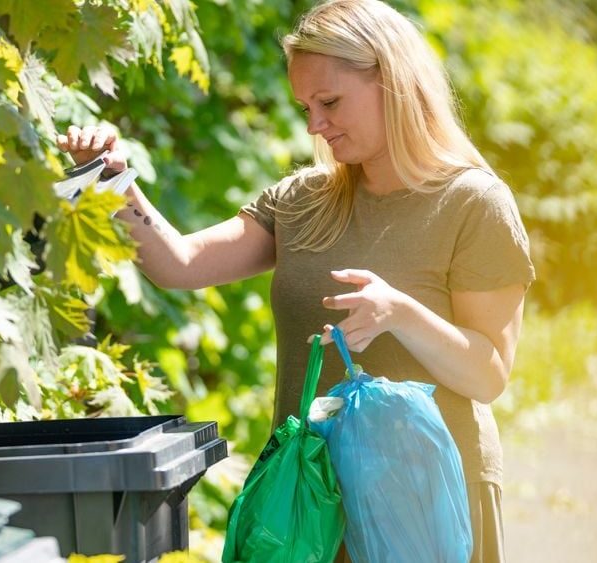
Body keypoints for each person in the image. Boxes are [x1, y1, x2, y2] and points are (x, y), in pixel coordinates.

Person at [59, 1, 534, 561]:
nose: (314, 125)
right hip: (305, 503)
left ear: (393, 80)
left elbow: (488, 374)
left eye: (329, 102)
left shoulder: (474, 204)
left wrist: (401, 313)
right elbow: (180, 265)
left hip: (427, 503)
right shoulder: (303, 200)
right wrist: (115, 185)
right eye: (305, 106)